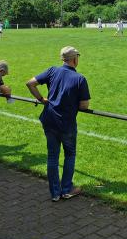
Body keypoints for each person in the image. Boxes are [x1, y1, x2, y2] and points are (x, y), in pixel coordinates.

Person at [26, 46, 90, 202]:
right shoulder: (80, 79)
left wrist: (42, 99)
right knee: (70, 154)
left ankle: (55, 193)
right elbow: (84, 106)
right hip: (66, 123)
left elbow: (30, 83)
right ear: (75, 59)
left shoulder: (52, 71)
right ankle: (67, 189)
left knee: (52, 156)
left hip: (49, 120)